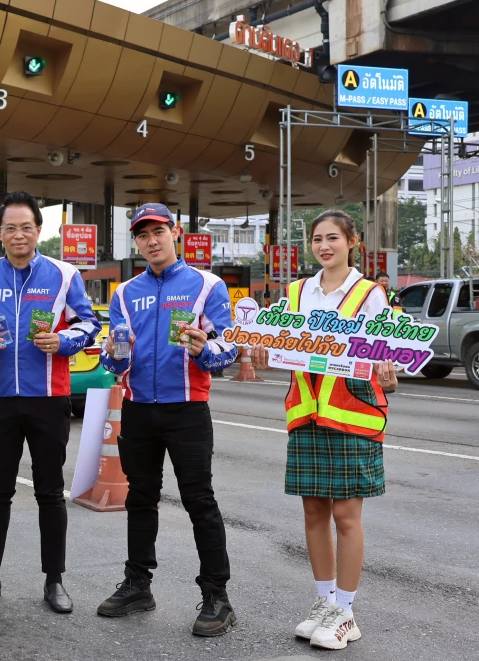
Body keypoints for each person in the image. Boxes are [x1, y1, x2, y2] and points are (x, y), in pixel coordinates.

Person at [251, 209, 397, 650]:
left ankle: (346, 614)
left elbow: (386, 354)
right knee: (313, 512)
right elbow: (280, 343)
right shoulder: (296, 292)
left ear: (353, 241)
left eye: (333, 237)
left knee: (346, 517)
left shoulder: (369, 295)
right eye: (317, 239)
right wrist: (262, 347)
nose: (324, 246)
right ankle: (324, 603)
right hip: (309, 415)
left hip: (353, 416)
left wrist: (387, 366)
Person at [0, 191, 101, 614]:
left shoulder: (65, 274)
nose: (19, 234)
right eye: (10, 228)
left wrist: (63, 341)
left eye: (27, 227)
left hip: (49, 398)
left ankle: (54, 580)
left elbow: (89, 324)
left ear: (39, 231)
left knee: (50, 493)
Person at [96, 203, 239, 636]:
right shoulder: (123, 293)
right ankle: (138, 584)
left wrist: (202, 350)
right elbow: (113, 359)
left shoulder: (207, 286)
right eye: (142, 234)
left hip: (187, 410)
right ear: (136, 241)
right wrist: (112, 354)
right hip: (139, 410)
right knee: (139, 499)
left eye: (158, 231)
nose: (151, 241)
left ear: (174, 232)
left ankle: (218, 596)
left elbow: (228, 352)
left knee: (199, 501)